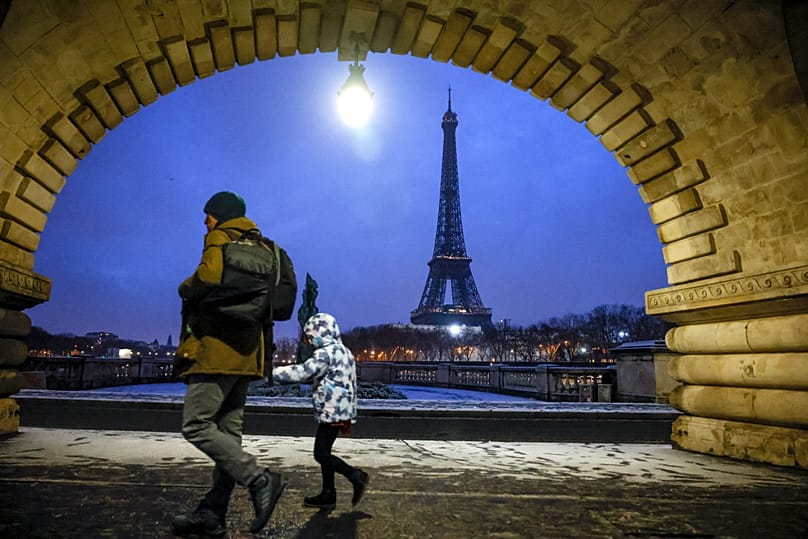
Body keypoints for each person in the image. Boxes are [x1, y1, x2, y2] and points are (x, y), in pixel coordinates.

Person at [172, 191, 297, 537]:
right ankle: (213, 513)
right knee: (228, 433)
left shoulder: (219, 237)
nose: (205, 220)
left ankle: (260, 478)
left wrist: (185, 287)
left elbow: (208, 278)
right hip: (249, 352)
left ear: (222, 216)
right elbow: (280, 303)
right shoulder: (269, 248)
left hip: (215, 347)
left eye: (209, 214)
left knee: (196, 425)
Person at [273, 312, 369, 510]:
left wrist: (271, 373)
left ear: (319, 333)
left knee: (321, 454)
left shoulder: (325, 354)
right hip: (342, 410)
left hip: (331, 411)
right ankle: (328, 493)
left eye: (309, 336)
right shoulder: (345, 351)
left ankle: (356, 475)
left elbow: (303, 373)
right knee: (326, 452)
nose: (308, 341)